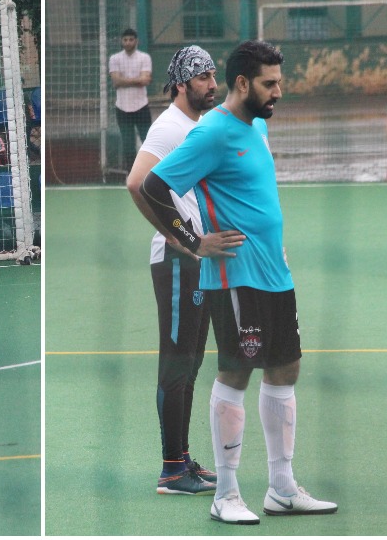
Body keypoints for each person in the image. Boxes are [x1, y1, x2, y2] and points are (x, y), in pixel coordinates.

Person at [139, 40, 338, 524]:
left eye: (279, 83)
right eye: (270, 84)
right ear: (243, 84)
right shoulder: (211, 132)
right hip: (235, 277)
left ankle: (282, 488)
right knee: (235, 372)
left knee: (285, 368)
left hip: (275, 273)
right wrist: (192, 241)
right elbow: (151, 185)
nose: (278, 93)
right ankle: (225, 494)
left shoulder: (256, 127)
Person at [126, 46, 235, 496]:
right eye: (203, 77)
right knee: (176, 363)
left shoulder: (198, 125)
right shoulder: (169, 126)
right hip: (178, 264)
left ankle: (183, 458)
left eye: (213, 76)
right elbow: (137, 183)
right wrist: (185, 240)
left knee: (189, 363)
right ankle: (171, 469)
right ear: (180, 83)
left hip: (197, 265)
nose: (212, 84)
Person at [109, 28, 152, 170]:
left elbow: (145, 80)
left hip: (141, 106)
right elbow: (116, 82)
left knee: (148, 140)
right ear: (122, 41)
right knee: (128, 143)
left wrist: (124, 80)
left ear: (136, 41)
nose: (128, 42)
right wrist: (137, 80)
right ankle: (131, 173)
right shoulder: (114, 59)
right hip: (122, 108)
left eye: (131, 39)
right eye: (125, 40)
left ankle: (150, 172)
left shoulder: (144, 57)